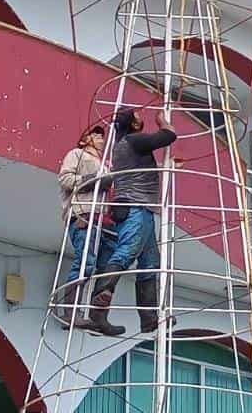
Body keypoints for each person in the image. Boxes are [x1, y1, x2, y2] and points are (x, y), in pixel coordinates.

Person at [85, 106, 177, 335]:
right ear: (134, 124)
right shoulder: (134, 141)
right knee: (126, 252)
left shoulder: (121, 146)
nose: (141, 119)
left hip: (134, 207)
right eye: (138, 116)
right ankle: (99, 304)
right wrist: (162, 121)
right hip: (136, 207)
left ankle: (149, 318)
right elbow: (169, 136)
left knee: (150, 261)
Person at [55, 125, 122, 334]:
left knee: (106, 267)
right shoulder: (77, 154)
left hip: (104, 220)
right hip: (84, 215)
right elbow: (65, 179)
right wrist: (93, 181)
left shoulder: (106, 165)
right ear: (85, 139)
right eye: (96, 135)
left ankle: (98, 315)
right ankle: (71, 311)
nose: (101, 139)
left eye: (102, 136)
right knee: (86, 263)